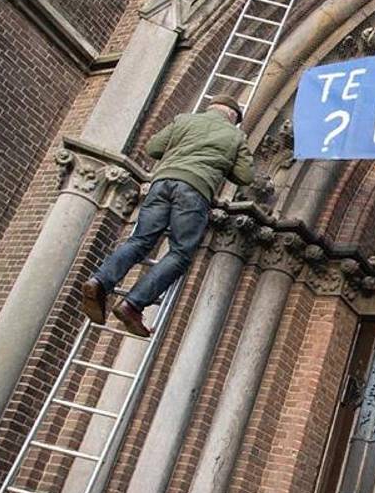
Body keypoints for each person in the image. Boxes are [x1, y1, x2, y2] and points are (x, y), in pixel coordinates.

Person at [81, 95, 254, 336]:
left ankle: (99, 282)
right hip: (195, 189)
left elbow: (153, 148)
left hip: (161, 184)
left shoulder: (184, 120)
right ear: (232, 116)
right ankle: (133, 304)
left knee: (140, 240)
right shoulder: (236, 136)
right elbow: (245, 175)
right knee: (181, 253)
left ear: (211, 108)